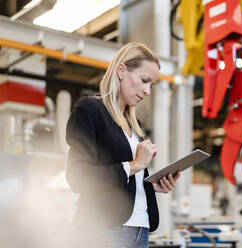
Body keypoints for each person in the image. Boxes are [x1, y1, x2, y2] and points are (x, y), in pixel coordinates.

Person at [65, 42, 180, 248]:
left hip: (140, 229)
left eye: (151, 85)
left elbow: (123, 180)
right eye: (144, 80)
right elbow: (77, 177)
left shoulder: (135, 127)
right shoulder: (90, 110)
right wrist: (135, 165)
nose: (147, 91)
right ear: (121, 70)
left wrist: (150, 185)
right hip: (105, 230)